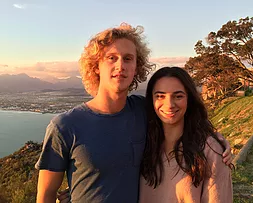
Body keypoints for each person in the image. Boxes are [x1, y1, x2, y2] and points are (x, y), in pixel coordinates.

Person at [36, 23, 232, 203]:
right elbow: (45, 195)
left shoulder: (144, 110)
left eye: (128, 58)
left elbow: (180, 114)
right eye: (111, 58)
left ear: (136, 67)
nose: (120, 66)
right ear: (96, 66)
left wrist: (215, 142)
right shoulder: (64, 126)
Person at [139, 67, 233, 202]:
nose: (169, 104)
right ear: (151, 100)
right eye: (160, 96)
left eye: (178, 96)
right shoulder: (143, 142)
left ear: (189, 99)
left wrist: (216, 143)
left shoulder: (210, 151)